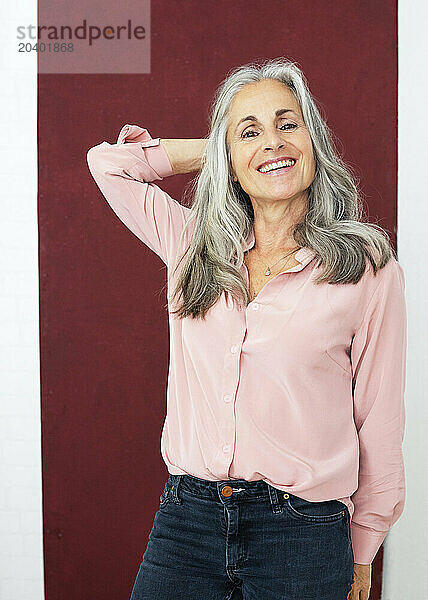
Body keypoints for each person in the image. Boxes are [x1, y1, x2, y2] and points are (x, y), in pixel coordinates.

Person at [86, 57, 407, 600]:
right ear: (226, 158)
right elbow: (108, 164)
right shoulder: (192, 246)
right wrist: (217, 150)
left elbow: (378, 416)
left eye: (288, 125)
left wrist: (364, 547)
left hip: (304, 534)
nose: (274, 144)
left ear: (314, 141)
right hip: (187, 523)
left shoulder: (368, 269)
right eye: (250, 132)